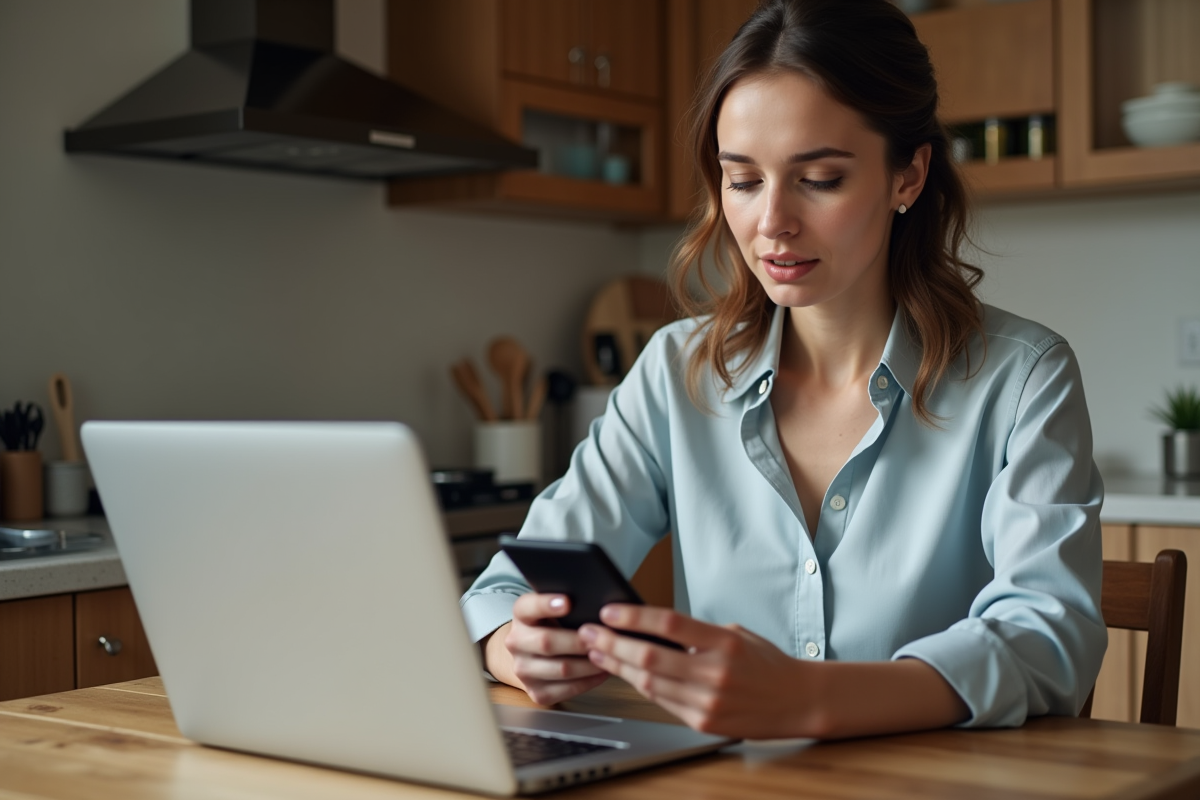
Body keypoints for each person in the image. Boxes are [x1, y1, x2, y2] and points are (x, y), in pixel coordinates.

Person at [460, 0, 1105, 740]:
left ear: (908, 175)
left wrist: (809, 698)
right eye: (743, 181)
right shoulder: (676, 372)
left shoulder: (1023, 379)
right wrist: (514, 648)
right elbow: (506, 590)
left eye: (820, 179)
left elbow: (1050, 638)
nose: (772, 223)